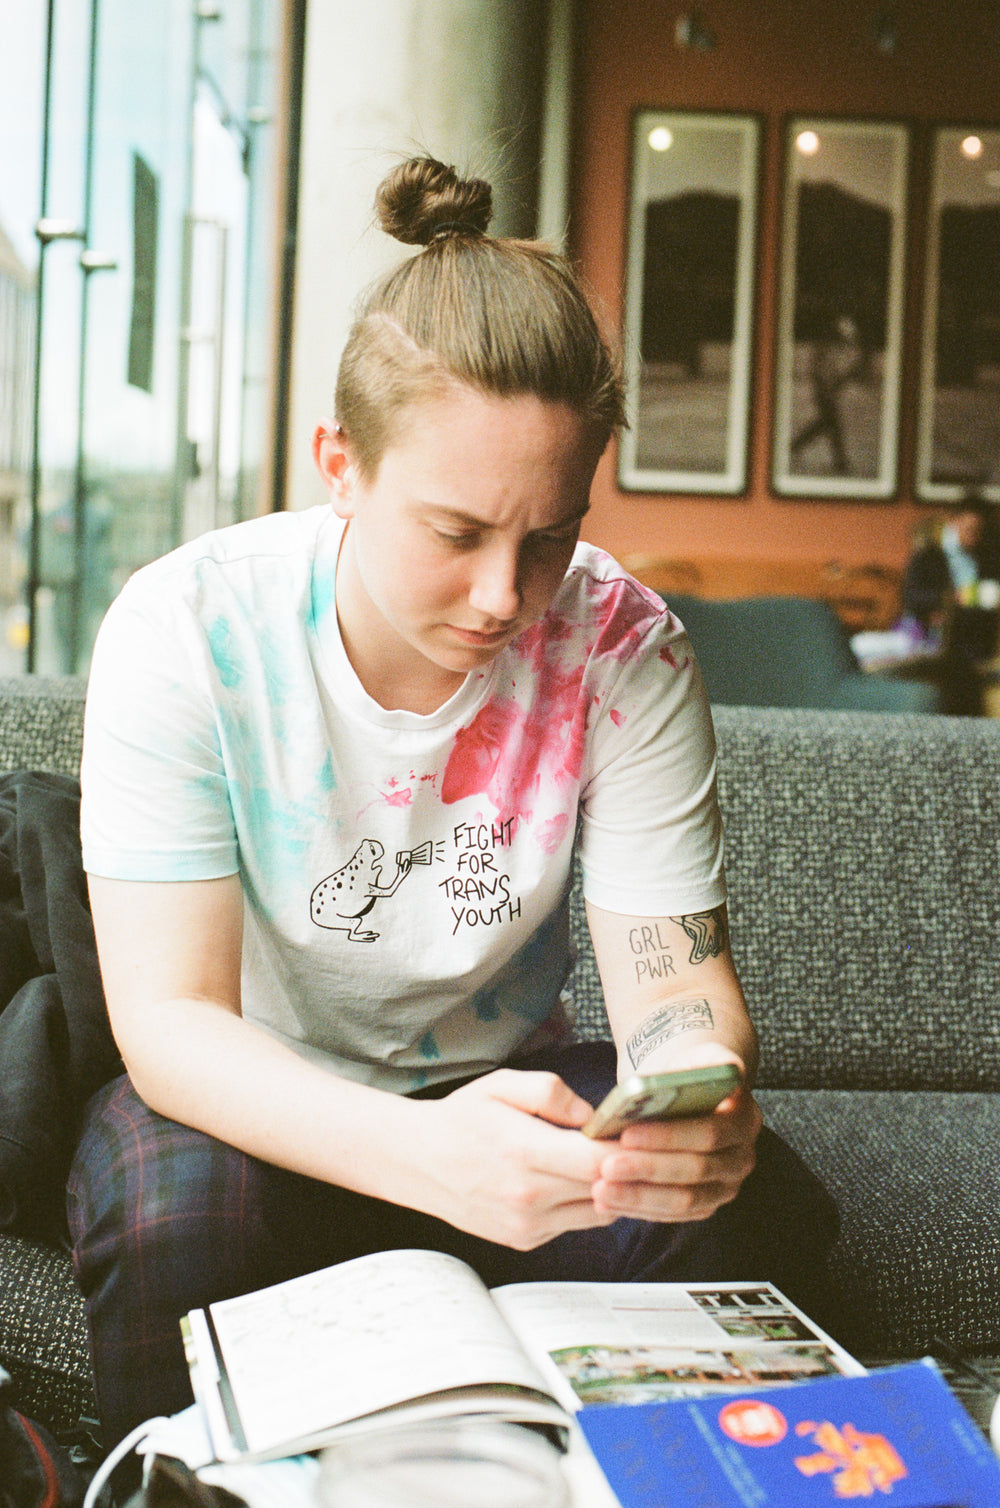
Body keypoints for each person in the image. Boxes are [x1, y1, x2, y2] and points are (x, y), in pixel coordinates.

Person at [68, 155, 838, 1461]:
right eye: (456, 531)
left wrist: (691, 1099)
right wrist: (421, 1155)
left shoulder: (622, 647)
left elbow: (674, 985)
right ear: (341, 465)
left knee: (755, 1211)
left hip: (507, 1088)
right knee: (173, 1222)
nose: (504, 596)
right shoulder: (187, 627)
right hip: (251, 1101)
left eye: (548, 537)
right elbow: (172, 1028)